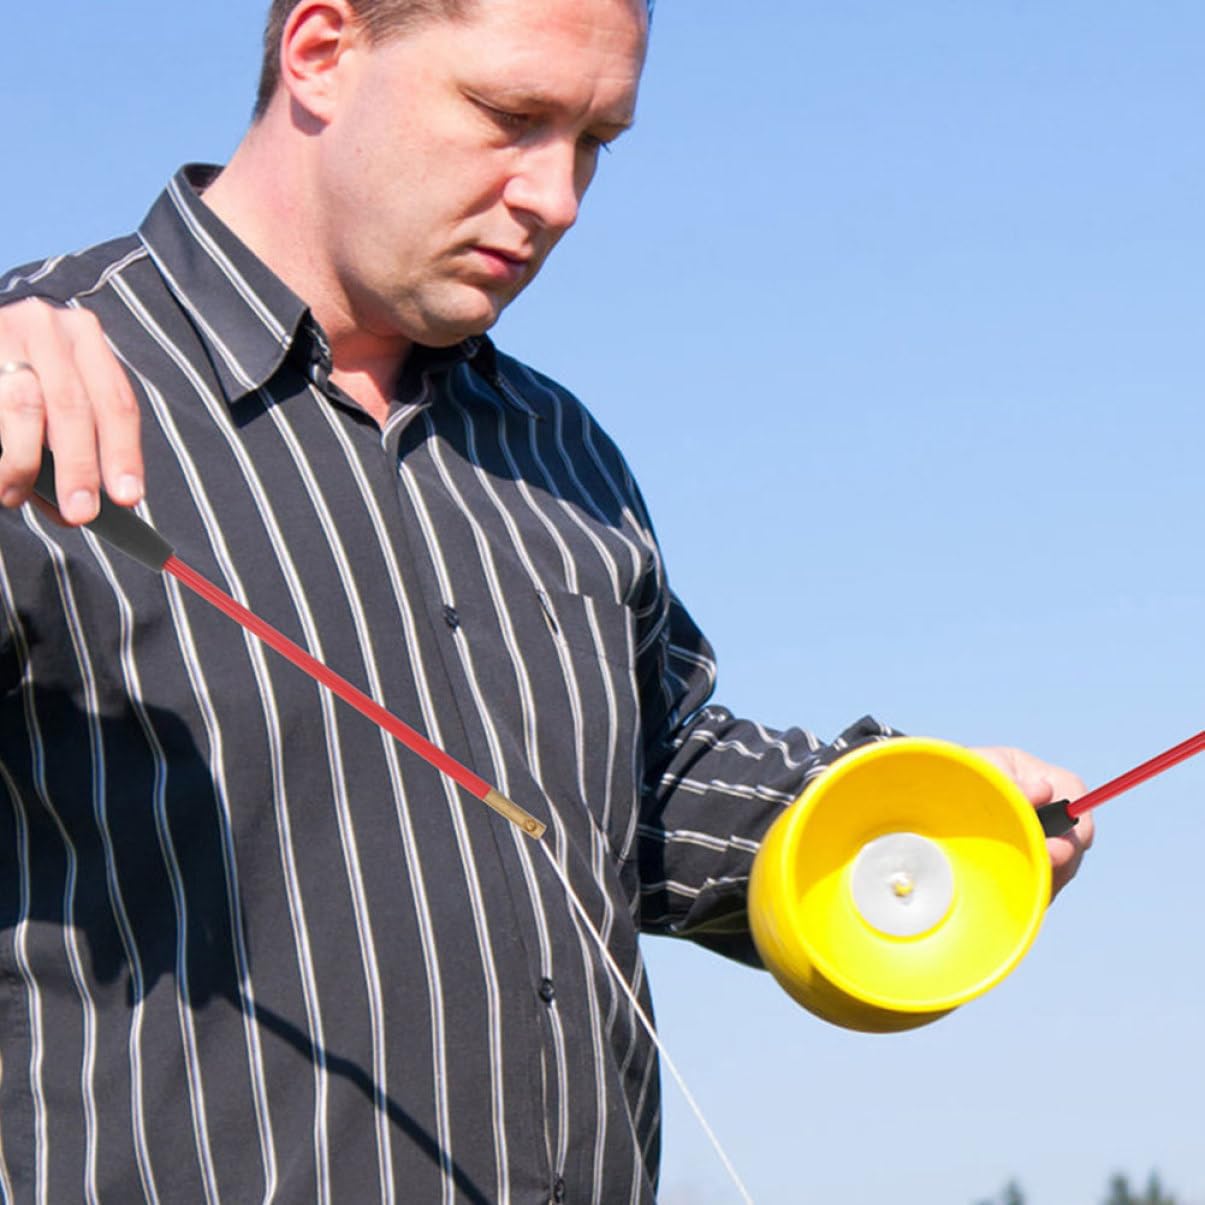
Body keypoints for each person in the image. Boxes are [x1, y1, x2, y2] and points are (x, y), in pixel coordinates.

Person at [0, 1, 1092, 1201]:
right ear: (320, 50)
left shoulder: (560, 449)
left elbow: (641, 783)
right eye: (509, 116)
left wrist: (904, 808)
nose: (557, 198)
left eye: (592, 142)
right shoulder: (30, 389)